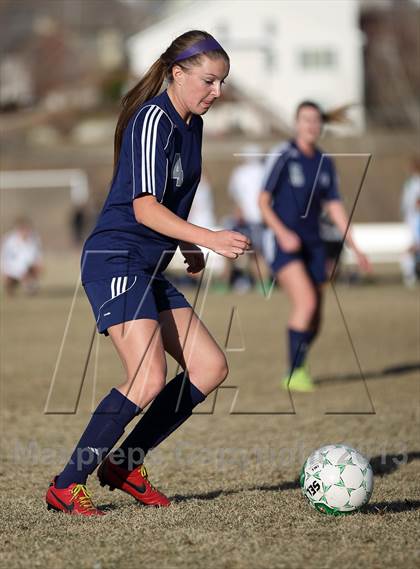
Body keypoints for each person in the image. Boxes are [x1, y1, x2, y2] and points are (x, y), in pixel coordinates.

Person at [45, 30, 249, 516]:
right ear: (177, 73)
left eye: (221, 83)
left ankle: (123, 464)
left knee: (209, 368)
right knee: (147, 377)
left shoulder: (191, 123)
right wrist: (209, 237)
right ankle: (67, 483)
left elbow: (166, 204)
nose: (216, 92)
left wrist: (185, 244)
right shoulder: (153, 119)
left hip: (148, 263)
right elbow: (142, 209)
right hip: (115, 258)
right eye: (208, 81)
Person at [259, 101, 370, 392]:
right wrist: (282, 233)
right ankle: (294, 372)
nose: (311, 125)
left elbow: (334, 206)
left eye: (316, 120)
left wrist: (355, 247)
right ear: (296, 123)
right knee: (306, 302)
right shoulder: (283, 155)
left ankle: (300, 360)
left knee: (316, 317)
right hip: (283, 243)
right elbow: (262, 202)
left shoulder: (324, 162)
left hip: (314, 244)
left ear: (321, 125)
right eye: (305, 119)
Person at [227, 144, 270, 292]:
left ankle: (236, 281)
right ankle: (262, 284)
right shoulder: (265, 171)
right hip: (262, 218)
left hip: (246, 218)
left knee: (236, 251)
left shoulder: (240, 172)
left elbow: (236, 197)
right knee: (258, 253)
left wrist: (238, 214)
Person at [1, 216, 43, 296]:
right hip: (12, 269)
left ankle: (31, 285)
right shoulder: (9, 240)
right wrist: (21, 272)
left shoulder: (34, 238)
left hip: (28, 267)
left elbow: (37, 256)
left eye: (27, 228)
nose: (25, 231)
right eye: (23, 228)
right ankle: (11, 286)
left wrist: (36, 267)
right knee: (9, 281)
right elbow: (6, 260)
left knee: (35, 271)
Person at [400, 156, 420, 287]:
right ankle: (409, 274)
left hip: (414, 219)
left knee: (414, 247)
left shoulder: (413, 182)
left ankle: (410, 273)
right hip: (414, 219)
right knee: (415, 247)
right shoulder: (412, 182)